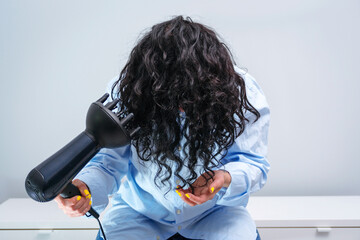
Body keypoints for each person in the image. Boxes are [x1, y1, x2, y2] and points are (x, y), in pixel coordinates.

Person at [55, 16, 270, 240]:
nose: (181, 108)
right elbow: (108, 163)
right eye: (170, 96)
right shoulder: (129, 90)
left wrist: (224, 178)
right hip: (138, 214)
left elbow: (253, 163)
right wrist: (85, 186)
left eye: (190, 96)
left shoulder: (242, 93)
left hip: (216, 214)